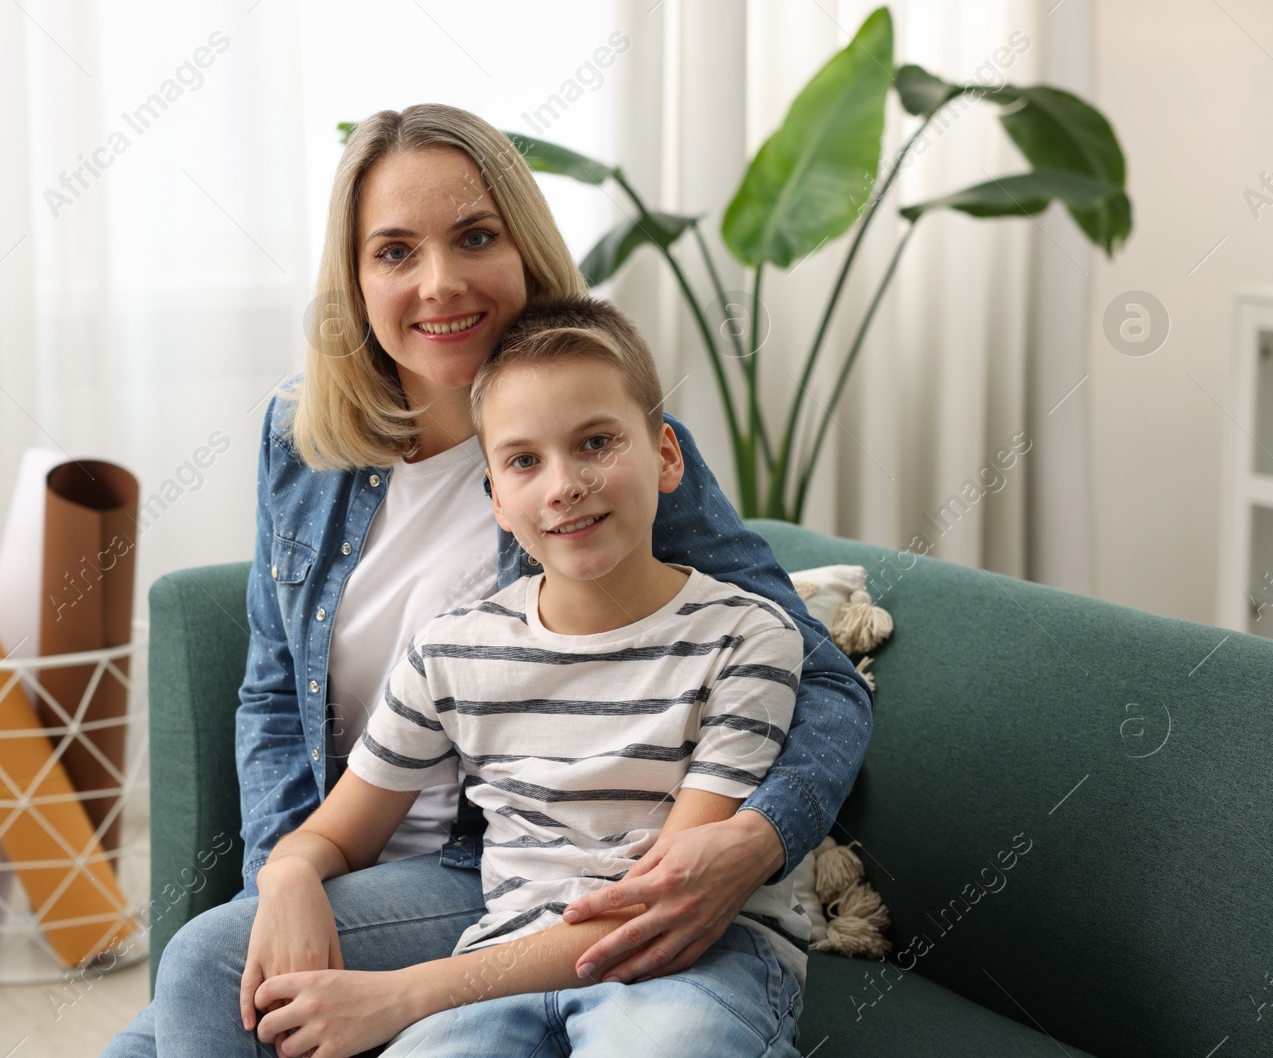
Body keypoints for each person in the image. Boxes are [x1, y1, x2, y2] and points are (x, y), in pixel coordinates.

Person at [101, 102, 871, 1058]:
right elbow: (271, 689)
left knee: (202, 980)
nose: (439, 283)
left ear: (524, 248)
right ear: (353, 279)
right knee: (201, 977)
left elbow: (824, 678)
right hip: (355, 851)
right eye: (393, 252)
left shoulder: (607, 456)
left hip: (499, 866)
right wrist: (283, 877)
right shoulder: (298, 439)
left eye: (475, 237)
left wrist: (755, 839)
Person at [246, 295, 811, 1058]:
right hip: (498, 964)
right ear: (496, 499)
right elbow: (333, 836)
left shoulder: (746, 638)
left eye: (597, 441)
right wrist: (288, 872)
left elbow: (662, 909)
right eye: (523, 461)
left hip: (693, 967)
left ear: (667, 455)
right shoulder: (453, 652)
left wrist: (405, 993)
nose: (564, 483)